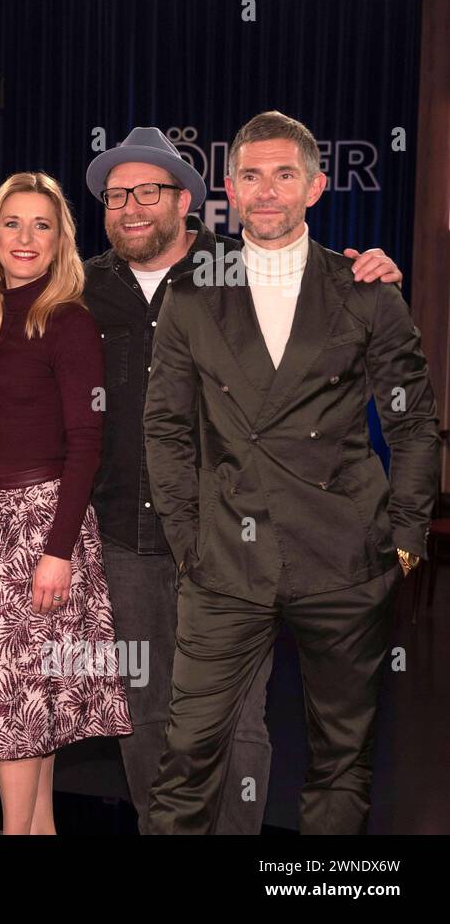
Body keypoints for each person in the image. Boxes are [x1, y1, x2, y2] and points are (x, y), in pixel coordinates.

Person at [82, 126, 405, 833]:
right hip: (125, 535)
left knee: (243, 721)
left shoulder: (240, 269)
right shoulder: (80, 286)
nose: (131, 206)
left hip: (236, 541)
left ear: (189, 199)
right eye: (116, 194)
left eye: (148, 191)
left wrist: (371, 267)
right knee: (145, 714)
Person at [0, 172, 132, 835]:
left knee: (15, 717)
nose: (26, 238)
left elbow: (87, 444)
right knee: (31, 718)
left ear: (60, 241)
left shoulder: (67, 319)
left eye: (41, 225)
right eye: (12, 223)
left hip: (41, 529)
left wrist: (56, 552)